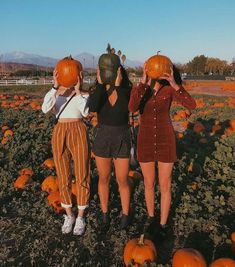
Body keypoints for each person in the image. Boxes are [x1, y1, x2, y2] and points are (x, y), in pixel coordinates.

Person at [128, 63, 196, 237]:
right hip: (146, 141)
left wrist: (174, 84)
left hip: (166, 140)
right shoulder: (142, 89)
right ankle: (151, 217)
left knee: (165, 184)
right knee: (149, 183)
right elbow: (132, 108)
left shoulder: (169, 90)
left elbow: (192, 105)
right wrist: (142, 83)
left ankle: (163, 224)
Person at [41, 69, 90, 236]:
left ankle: (81, 216)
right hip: (60, 130)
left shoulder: (82, 94)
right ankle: (69, 214)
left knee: (82, 172)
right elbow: (44, 109)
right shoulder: (54, 93)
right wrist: (54, 87)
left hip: (78, 129)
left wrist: (78, 90)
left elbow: (85, 112)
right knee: (63, 174)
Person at [88, 65, 132, 230]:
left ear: (119, 72)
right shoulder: (97, 91)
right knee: (104, 178)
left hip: (122, 138)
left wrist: (119, 87)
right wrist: (100, 85)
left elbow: (126, 109)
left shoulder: (126, 91)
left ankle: (125, 215)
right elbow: (92, 108)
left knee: (122, 179)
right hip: (103, 138)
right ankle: (105, 214)